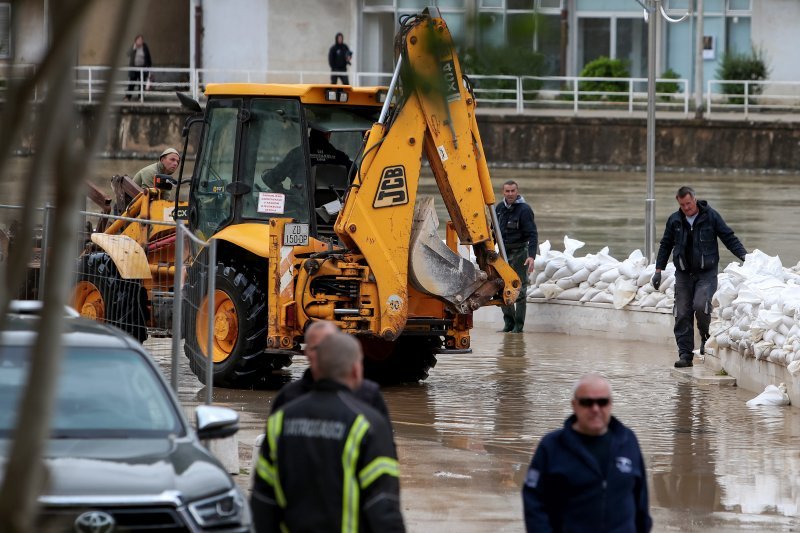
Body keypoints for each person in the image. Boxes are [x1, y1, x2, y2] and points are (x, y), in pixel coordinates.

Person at [251, 332, 405, 532]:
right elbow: (383, 505)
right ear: (356, 370)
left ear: (315, 367)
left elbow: (263, 501)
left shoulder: (281, 420)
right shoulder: (368, 424)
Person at [522, 373, 652, 533]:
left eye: (602, 402)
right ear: (574, 405)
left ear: (610, 404)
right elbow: (534, 502)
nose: (595, 409)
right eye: (587, 402)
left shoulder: (628, 441)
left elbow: (641, 501)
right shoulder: (551, 446)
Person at [653, 186, 747, 368]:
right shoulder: (675, 220)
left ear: (694, 200)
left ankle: (704, 337)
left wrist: (746, 257)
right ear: (678, 203)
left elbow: (729, 238)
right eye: (682, 205)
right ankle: (685, 355)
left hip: (706, 273)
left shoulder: (711, 217)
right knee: (682, 313)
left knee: (701, 305)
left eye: (688, 203)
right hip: (683, 274)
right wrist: (658, 270)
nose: (686, 208)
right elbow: (665, 245)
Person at [270, 320, 391, 424]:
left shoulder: (289, 395)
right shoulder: (368, 395)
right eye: (318, 347)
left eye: (328, 345)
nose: (323, 352)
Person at [495, 180, 538, 333]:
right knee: (500, 287)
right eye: (507, 191)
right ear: (503, 192)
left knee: (519, 290)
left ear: (517, 191)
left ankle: (518, 327)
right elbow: (494, 232)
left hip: (520, 252)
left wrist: (531, 256)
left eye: (513, 191)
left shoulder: (524, 210)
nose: (510, 194)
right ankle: (509, 323)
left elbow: (532, 234)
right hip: (503, 252)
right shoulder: (499, 208)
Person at [126, 34, 152, 101]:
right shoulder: (133, 46)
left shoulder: (145, 47)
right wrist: (134, 48)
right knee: (132, 83)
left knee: (142, 84)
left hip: (143, 68)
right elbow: (128, 54)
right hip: (134, 68)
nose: (140, 41)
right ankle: (128, 97)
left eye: (141, 40)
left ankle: (140, 97)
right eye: (139, 40)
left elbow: (148, 57)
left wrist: (149, 68)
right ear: (136, 41)